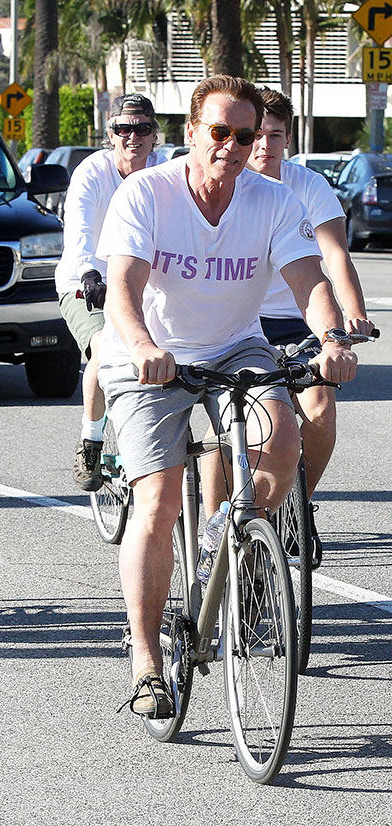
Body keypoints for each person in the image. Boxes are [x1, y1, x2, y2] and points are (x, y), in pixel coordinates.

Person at [95, 75, 357, 717]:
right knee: (156, 497)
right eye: (221, 131)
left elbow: (307, 280)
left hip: (237, 347)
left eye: (245, 134)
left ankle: (225, 532)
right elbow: (122, 291)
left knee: (286, 437)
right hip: (149, 354)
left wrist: (331, 338)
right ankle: (148, 661)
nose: (234, 145)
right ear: (191, 133)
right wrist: (142, 347)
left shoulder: (270, 199)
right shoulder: (146, 192)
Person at [249, 87, 374, 552]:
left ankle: (295, 507)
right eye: (256, 134)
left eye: (274, 135)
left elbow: (335, 254)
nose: (263, 145)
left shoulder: (308, 185)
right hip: (243, 321)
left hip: (304, 318)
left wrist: (353, 315)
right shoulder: (231, 182)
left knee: (320, 407)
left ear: (288, 138)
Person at [54, 94, 160, 491]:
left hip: (143, 281)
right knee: (105, 346)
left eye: (143, 129)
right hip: (88, 283)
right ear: (110, 134)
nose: (133, 137)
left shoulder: (164, 172)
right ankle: (92, 440)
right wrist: (88, 274)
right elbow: (78, 230)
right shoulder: (91, 172)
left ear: (154, 136)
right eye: (123, 129)